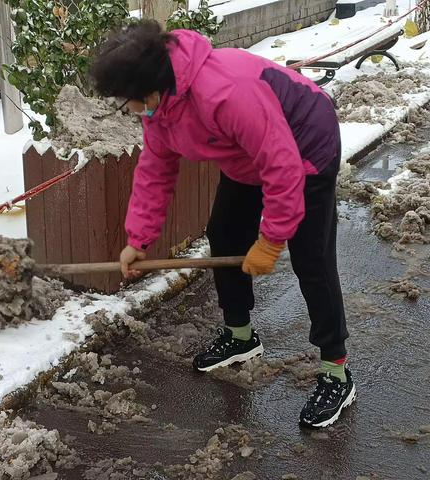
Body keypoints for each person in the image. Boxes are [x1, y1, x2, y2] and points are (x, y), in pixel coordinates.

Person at [91, 20, 356, 428]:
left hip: (305, 143)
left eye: (126, 100)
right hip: (246, 155)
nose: (127, 109)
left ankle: (337, 370)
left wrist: (271, 240)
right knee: (225, 232)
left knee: (311, 258)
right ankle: (240, 335)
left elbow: (282, 165)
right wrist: (139, 239)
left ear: (149, 88)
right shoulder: (161, 107)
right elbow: (156, 170)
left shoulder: (226, 93)